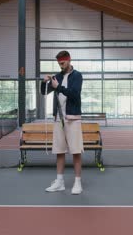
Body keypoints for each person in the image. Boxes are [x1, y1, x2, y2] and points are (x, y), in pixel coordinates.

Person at [41, 50, 84, 195]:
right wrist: (44, 82)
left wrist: (57, 86)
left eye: (63, 62)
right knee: (60, 151)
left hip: (73, 119)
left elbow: (74, 94)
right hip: (58, 119)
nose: (61, 65)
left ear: (69, 60)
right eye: (59, 63)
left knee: (76, 152)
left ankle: (77, 183)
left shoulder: (77, 76)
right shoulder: (57, 76)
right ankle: (59, 182)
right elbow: (44, 92)